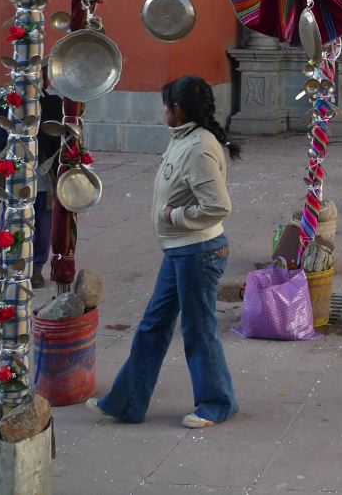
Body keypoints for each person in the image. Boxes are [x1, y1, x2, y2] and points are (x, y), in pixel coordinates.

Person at [88, 76, 240, 428]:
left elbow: (218, 206)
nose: (163, 111)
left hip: (198, 251)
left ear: (179, 110)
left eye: (166, 105)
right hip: (179, 250)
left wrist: (176, 216)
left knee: (198, 330)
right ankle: (127, 402)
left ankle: (218, 403)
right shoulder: (183, 139)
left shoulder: (199, 146)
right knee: (153, 326)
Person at [0, 79, 64, 292]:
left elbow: (55, 136)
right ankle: (7, 268)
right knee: (9, 220)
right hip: (13, 174)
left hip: (42, 170)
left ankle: (36, 268)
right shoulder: (6, 101)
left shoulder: (52, 104)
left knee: (43, 222)